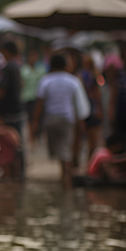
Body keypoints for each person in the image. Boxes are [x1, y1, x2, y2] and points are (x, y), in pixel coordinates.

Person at [31, 52, 90, 188]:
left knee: (59, 150)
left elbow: (39, 104)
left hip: (51, 119)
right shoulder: (73, 81)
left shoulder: (46, 80)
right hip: (67, 119)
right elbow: (80, 105)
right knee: (65, 148)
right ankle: (66, 175)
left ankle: (65, 175)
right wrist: (81, 122)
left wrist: (35, 122)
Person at [0, 41, 24, 178]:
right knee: (16, 143)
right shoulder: (17, 67)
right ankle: (18, 171)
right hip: (17, 109)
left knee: (7, 144)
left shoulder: (8, 68)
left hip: (8, 111)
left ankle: (10, 171)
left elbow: (2, 91)